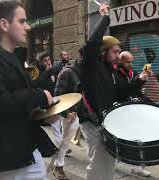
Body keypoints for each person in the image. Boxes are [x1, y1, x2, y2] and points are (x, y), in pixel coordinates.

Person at [0, 1, 57, 179]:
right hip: (3, 159)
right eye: (22, 21)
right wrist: (39, 96)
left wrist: (47, 112)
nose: (28, 27)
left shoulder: (14, 58)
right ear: (4, 24)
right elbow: (0, 103)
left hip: (26, 150)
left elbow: (21, 103)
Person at [79, 3, 122, 180]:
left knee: (108, 159)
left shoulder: (110, 70)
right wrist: (104, 17)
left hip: (104, 120)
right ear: (103, 51)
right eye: (115, 52)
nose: (119, 55)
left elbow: (121, 92)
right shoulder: (91, 64)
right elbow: (92, 44)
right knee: (97, 163)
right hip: (91, 120)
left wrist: (140, 80)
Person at [114, 51, 152, 177]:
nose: (130, 64)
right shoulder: (114, 73)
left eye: (131, 62)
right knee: (119, 138)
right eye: (127, 62)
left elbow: (135, 89)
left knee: (138, 137)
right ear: (120, 60)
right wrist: (138, 81)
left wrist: (143, 80)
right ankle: (114, 157)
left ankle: (137, 167)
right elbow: (123, 91)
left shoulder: (132, 72)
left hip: (133, 109)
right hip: (120, 110)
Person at [48, 52, 82, 179]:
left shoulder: (88, 72)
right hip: (71, 111)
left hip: (82, 110)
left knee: (65, 138)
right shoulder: (66, 72)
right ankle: (58, 165)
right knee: (66, 138)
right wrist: (67, 113)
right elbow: (58, 94)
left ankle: (57, 162)